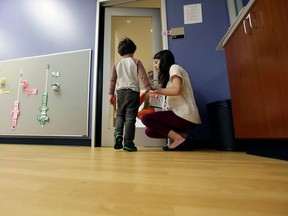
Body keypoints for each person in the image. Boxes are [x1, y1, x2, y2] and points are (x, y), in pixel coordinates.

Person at [141, 50, 201, 151]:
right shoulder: (168, 80)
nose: (155, 66)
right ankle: (185, 137)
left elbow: (176, 90)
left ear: (163, 60)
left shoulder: (174, 67)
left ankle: (178, 139)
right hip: (179, 115)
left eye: (156, 62)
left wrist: (157, 91)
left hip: (185, 115)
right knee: (150, 132)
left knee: (146, 118)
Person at [109, 38, 152, 152]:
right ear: (133, 50)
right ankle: (128, 143)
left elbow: (112, 80)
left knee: (120, 116)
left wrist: (110, 94)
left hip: (120, 93)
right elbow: (143, 76)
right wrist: (149, 89)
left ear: (120, 51)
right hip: (133, 92)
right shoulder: (136, 62)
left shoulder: (116, 64)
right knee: (130, 118)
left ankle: (118, 134)